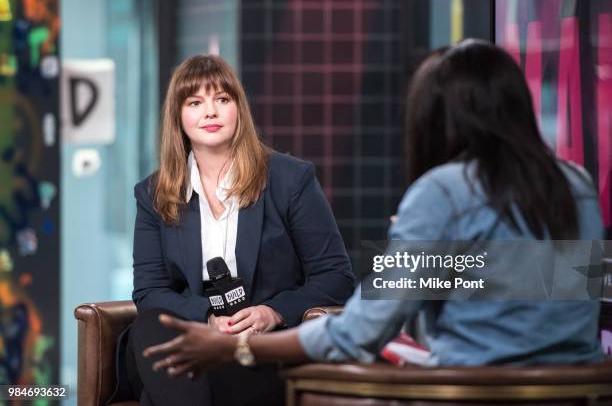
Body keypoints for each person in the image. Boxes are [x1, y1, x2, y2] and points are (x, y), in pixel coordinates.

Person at [142, 40, 605, 377]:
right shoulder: (578, 183)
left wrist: (240, 349)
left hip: (469, 388)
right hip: (575, 385)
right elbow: (577, 297)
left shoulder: (440, 192)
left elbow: (362, 328)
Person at [112, 54, 355, 406]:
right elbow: (150, 290)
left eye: (221, 100)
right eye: (195, 102)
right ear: (179, 117)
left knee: (168, 387)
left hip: (257, 350)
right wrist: (207, 320)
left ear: (238, 109)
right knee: (152, 329)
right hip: (191, 340)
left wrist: (272, 313)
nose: (210, 112)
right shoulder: (153, 194)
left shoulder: (290, 180)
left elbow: (336, 276)